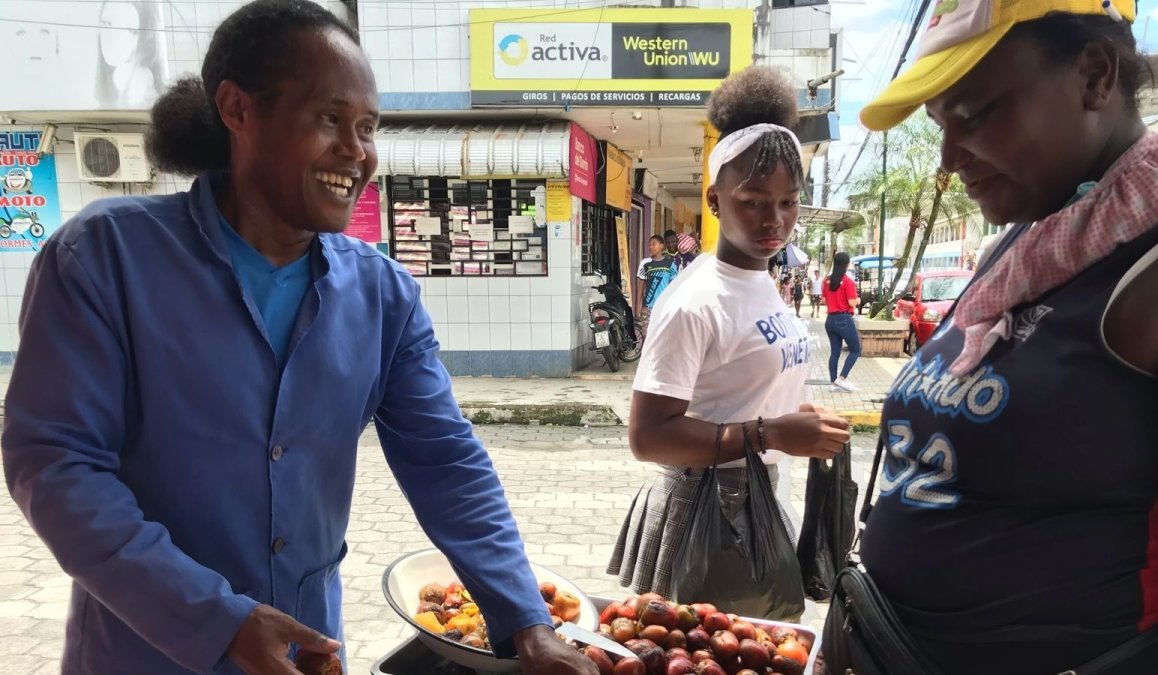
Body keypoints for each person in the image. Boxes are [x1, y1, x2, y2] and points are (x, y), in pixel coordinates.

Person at [1, 2, 597, 675]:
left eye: (368, 126)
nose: (357, 150)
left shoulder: (382, 296)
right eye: (329, 119)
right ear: (238, 109)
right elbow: (55, 466)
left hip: (309, 652)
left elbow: (445, 462)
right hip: (142, 651)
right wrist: (213, 616)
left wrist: (526, 619)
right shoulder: (106, 257)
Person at [829, 1, 1158, 673]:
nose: (945, 158)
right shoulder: (1027, 246)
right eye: (939, 124)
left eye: (972, 114)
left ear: (1094, 74)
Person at [607, 65, 850, 616]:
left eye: (788, 201)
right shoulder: (694, 301)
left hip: (758, 496)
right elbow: (649, 437)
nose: (775, 219)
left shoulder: (762, 279)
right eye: (754, 200)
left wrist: (791, 420)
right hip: (708, 516)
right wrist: (773, 431)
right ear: (715, 202)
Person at [95, 0, 167, 109]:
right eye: (107, 23)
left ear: (144, 38)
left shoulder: (141, 82)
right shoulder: (114, 79)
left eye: (129, 30)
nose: (113, 37)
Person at [822, 252, 861, 392]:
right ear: (847, 264)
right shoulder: (848, 281)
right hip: (843, 319)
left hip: (830, 320)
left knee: (835, 353)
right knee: (856, 350)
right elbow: (852, 302)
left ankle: (833, 384)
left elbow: (824, 300)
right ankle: (842, 378)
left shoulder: (826, 280)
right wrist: (858, 300)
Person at [636, 234, 677, 319]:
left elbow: (674, 287)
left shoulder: (670, 264)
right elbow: (641, 285)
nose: (651, 247)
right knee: (647, 332)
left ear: (662, 246)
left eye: (654, 244)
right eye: (649, 245)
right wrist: (638, 307)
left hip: (664, 307)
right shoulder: (645, 263)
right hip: (647, 307)